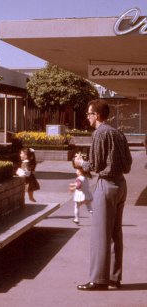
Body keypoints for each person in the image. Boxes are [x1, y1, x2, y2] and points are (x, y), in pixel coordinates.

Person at [75, 99, 132, 291]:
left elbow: (96, 165)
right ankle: (114, 278)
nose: (87, 117)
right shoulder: (118, 133)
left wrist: (80, 163)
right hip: (121, 185)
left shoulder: (99, 133)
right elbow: (128, 164)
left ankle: (99, 280)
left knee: (101, 234)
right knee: (116, 233)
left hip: (106, 185)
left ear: (97, 115)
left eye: (89, 114)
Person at [69, 156, 93, 224]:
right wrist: (73, 184)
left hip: (80, 196)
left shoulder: (79, 178)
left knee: (76, 207)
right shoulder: (85, 178)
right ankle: (96, 217)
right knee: (89, 208)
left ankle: (76, 219)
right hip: (87, 195)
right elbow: (80, 184)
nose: (76, 171)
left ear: (80, 172)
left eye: (77, 170)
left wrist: (73, 188)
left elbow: (79, 185)